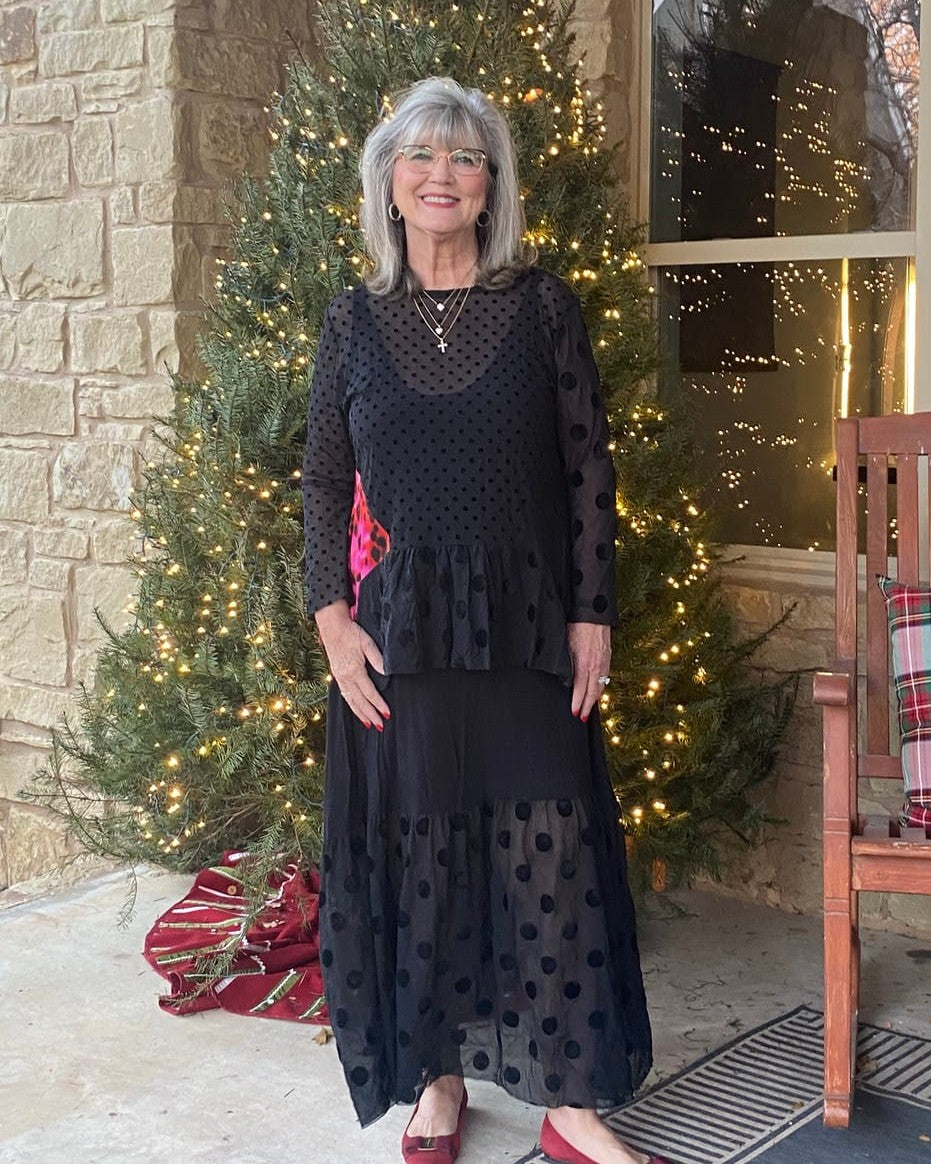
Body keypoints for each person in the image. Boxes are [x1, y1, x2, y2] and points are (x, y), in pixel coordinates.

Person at [302, 76, 665, 1164]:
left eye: (465, 158)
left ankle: (568, 1102)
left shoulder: (541, 305)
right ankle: (438, 1078)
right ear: (388, 185)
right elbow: (321, 478)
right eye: (420, 157)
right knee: (423, 857)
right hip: (400, 637)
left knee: (550, 849)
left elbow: (588, 469)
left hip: (528, 626)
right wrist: (331, 618)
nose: (442, 176)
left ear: (489, 185)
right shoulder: (351, 321)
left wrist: (592, 613)